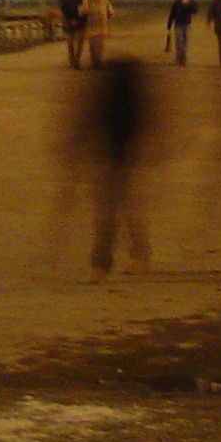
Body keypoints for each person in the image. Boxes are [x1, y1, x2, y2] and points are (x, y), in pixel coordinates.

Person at [75, 56, 153, 280]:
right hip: (118, 154)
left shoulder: (107, 94)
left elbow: (87, 119)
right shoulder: (134, 96)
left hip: (113, 155)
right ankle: (136, 253)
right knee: (119, 205)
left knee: (109, 208)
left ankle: (104, 263)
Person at [79, 0, 114, 68]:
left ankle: (94, 59)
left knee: (92, 41)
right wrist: (108, 15)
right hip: (102, 21)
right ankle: (99, 59)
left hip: (92, 21)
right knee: (100, 42)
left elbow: (83, 10)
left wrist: (85, 12)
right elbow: (110, 10)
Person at [165, 0, 196, 64]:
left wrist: (189, 4)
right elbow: (172, 13)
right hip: (178, 24)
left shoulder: (191, 2)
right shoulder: (177, 3)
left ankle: (183, 56)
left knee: (185, 41)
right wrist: (169, 25)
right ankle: (179, 56)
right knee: (179, 41)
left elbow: (195, 11)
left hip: (187, 24)